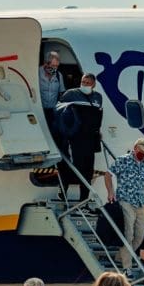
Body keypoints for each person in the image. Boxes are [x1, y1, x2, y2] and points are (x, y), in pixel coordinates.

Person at [104, 138, 144, 270]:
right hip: (125, 200)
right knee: (128, 233)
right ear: (135, 147)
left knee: (141, 235)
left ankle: (120, 257)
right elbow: (108, 175)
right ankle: (127, 268)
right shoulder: (123, 160)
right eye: (142, 151)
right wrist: (110, 192)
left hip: (139, 203)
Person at [56, 73, 103, 201]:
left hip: (89, 140)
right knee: (69, 165)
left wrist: (98, 132)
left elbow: (99, 116)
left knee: (88, 170)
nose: (85, 85)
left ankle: (84, 199)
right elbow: (59, 113)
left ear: (93, 84)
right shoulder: (70, 94)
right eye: (83, 82)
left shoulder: (98, 98)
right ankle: (62, 192)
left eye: (88, 83)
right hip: (73, 139)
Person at [39, 51, 65, 147]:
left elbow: (62, 92)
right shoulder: (36, 73)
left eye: (57, 66)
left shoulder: (58, 75)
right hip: (40, 111)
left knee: (55, 135)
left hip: (53, 111)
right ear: (46, 64)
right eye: (53, 66)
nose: (55, 68)